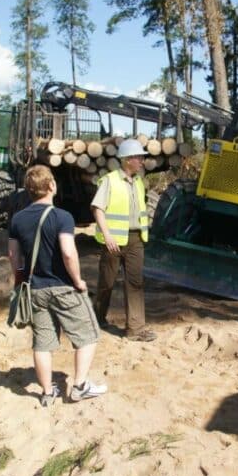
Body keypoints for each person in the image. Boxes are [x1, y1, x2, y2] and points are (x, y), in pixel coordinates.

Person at [8, 165, 107, 405]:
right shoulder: (62, 217)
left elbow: (14, 256)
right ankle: (80, 386)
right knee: (88, 335)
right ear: (51, 185)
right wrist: (78, 281)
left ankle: (46, 393)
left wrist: (21, 280)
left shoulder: (17, 220)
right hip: (63, 287)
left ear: (29, 190)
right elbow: (68, 254)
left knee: (42, 343)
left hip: (35, 289)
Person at [91, 139, 156, 342]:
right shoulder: (110, 180)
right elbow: (97, 208)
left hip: (136, 239)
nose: (142, 161)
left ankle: (135, 329)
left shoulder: (138, 181)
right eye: (139, 158)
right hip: (113, 241)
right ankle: (96, 319)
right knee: (107, 282)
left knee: (135, 283)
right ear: (128, 160)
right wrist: (107, 235)